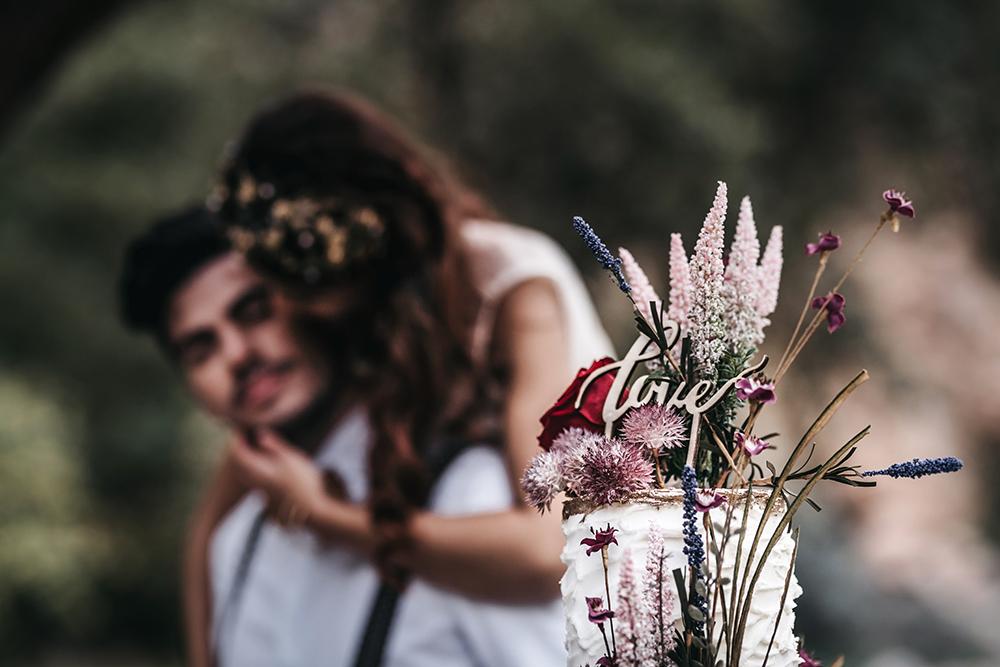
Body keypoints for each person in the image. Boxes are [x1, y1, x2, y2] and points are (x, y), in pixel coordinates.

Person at [127, 90, 613, 666]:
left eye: (261, 306)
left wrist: (331, 518)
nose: (288, 307)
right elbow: (213, 516)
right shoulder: (355, 316)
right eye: (200, 347)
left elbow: (541, 549)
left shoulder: (514, 294)